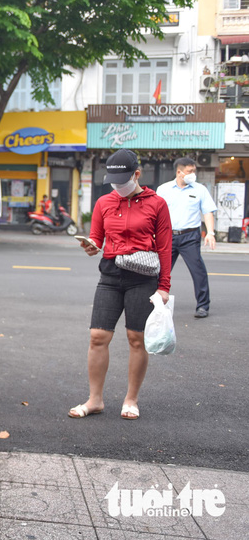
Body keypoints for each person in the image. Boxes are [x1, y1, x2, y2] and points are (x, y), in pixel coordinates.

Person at [70, 149, 171, 421]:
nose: (117, 186)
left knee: (136, 339)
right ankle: (95, 400)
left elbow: (164, 247)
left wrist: (164, 286)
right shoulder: (104, 202)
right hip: (111, 275)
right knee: (97, 337)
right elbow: (96, 238)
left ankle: (131, 398)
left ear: (137, 174)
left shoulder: (157, 204)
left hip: (143, 277)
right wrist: (91, 247)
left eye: (123, 180)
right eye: (113, 181)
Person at [156, 157, 216, 318]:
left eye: (194, 171)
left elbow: (208, 211)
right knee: (160, 271)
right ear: (179, 172)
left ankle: (203, 306)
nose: (193, 174)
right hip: (168, 236)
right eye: (190, 172)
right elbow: (154, 214)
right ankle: (155, 303)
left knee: (198, 271)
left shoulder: (200, 189)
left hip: (190, 236)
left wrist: (210, 232)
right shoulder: (163, 190)